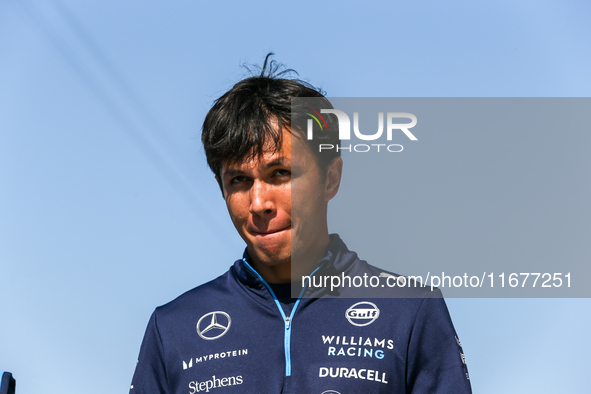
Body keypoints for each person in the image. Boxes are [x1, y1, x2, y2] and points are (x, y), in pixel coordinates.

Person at [129, 54, 472, 393]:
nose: (259, 203)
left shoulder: (411, 311)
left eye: (280, 174)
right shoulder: (173, 328)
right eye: (238, 180)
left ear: (330, 179)